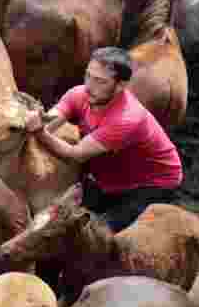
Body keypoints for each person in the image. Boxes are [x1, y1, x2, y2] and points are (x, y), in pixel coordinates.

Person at [24, 47, 183, 232]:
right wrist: (34, 122)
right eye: (88, 76)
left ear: (121, 85)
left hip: (150, 185)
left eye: (100, 81)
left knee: (98, 234)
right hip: (110, 176)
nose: (89, 86)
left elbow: (75, 155)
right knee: (60, 219)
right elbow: (49, 121)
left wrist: (39, 132)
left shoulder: (127, 118)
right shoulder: (79, 93)